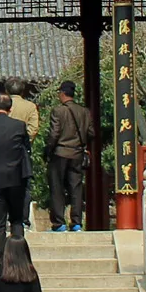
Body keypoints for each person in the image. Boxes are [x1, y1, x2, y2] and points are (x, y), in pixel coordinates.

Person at [0, 92, 33, 258]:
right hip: (16, 178)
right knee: (16, 220)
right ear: (10, 108)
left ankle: (0, 261)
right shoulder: (19, 126)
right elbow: (26, 149)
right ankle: (18, 259)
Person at [44, 82, 94, 232]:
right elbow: (91, 133)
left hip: (60, 152)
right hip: (77, 153)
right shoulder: (84, 112)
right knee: (76, 188)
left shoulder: (58, 111)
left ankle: (59, 222)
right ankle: (76, 222)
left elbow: (54, 133)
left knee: (57, 187)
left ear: (62, 93)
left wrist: (48, 150)